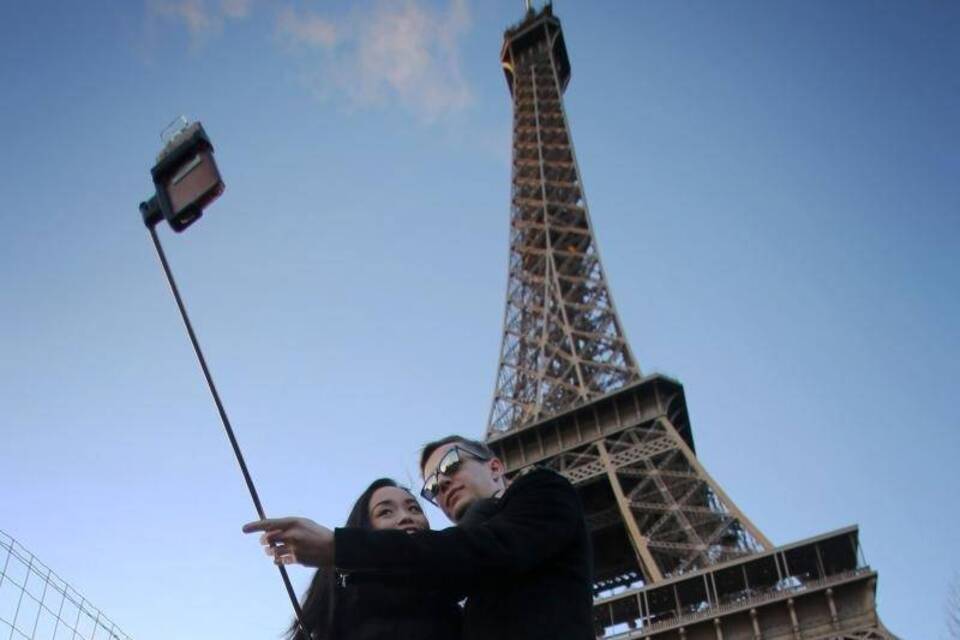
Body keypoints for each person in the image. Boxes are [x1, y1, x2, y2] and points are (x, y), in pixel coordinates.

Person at [244, 435, 594, 640]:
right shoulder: (440, 590)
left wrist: (340, 546)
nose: (441, 483)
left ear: (496, 467)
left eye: (451, 464)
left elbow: (486, 548)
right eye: (431, 487)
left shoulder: (541, 489)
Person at [280, 478, 461, 640]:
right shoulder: (343, 600)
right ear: (364, 528)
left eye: (414, 508)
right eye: (386, 512)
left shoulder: (452, 593)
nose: (406, 517)